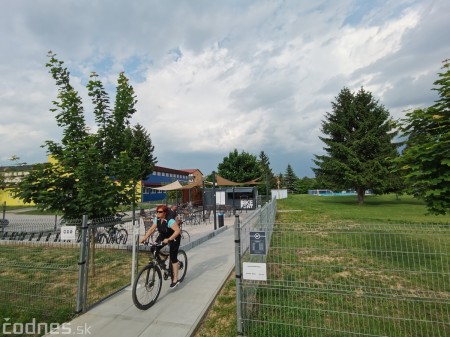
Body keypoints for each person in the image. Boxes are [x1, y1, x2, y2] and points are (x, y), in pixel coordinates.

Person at [140, 205, 182, 289]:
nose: (158, 213)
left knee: (173, 257)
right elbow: (152, 229)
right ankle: (163, 263)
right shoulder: (157, 219)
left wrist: (169, 239)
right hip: (163, 235)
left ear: (165, 212)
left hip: (174, 237)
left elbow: (177, 231)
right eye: (157, 212)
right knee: (153, 248)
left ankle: (175, 279)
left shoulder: (170, 220)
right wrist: (144, 238)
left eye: (160, 212)